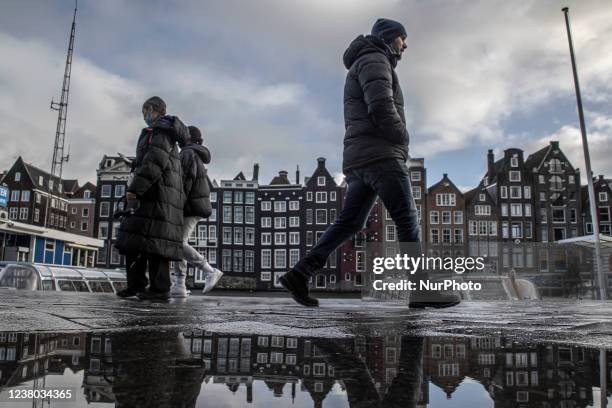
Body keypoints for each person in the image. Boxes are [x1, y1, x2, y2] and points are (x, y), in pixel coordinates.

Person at [280, 18, 461, 309]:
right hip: (380, 154)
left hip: (359, 158)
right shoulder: (375, 59)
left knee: (350, 222)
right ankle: (421, 289)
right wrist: (402, 137)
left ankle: (300, 273)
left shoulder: (364, 61)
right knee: (407, 219)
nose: (405, 46)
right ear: (390, 38)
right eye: (403, 39)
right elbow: (380, 106)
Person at [114, 96, 188, 301]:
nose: (144, 116)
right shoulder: (160, 132)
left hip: (155, 195)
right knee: (138, 241)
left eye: (145, 112)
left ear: (153, 110)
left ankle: (159, 289)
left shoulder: (160, 131)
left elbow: (155, 161)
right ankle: (138, 285)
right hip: (158, 194)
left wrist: (135, 188)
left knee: (154, 243)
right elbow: (152, 159)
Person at [170, 125, 223, 298]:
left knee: (177, 242)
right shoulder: (195, 153)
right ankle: (179, 283)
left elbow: (183, 182)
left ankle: (209, 271)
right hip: (195, 205)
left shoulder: (187, 153)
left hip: (189, 206)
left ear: (187, 137)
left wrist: (176, 204)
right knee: (178, 243)